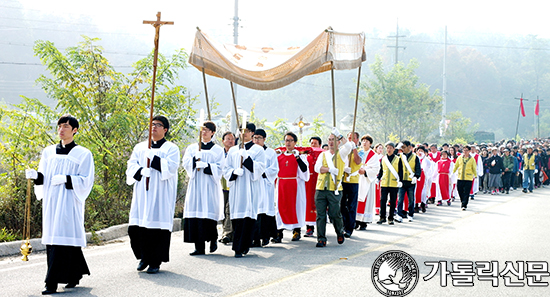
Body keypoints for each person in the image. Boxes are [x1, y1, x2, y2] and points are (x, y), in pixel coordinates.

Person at [26, 115, 94, 295]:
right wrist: (35, 176)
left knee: (64, 239)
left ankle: (51, 283)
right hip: (52, 202)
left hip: (70, 202)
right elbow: (43, 177)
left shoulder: (83, 154)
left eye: (66, 126)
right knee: (56, 240)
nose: (61, 130)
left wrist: (67, 179)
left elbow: (87, 181)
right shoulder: (48, 152)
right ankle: (74, 274)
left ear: (75, 130)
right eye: (59, 126)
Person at [126, 116, 179, 274]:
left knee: (156, 228)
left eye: (158, 125)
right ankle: (144, 257)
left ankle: (155, 261)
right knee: (138, 227)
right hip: (143, 192)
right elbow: (131, 165)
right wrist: (141, 170)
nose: (154, 127)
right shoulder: (140, 147)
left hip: (160, 194)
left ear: (165, 130)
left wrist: (154, 159)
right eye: (152, 124)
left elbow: (171, 168)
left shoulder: (171, 148)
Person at [181, 121, 224, 255]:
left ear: (212, 133)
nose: (203, 132)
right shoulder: (192, 148)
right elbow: (185, 163)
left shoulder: (218, 150)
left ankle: (213, 238)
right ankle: (199, 247)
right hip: (196, 184)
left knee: (208, 212)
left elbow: (220, 168)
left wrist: (207, 166)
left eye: (206, 130)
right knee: (196, 214)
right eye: (202, 129)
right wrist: (194, 161)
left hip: (209, 185)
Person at [223, 122, 266, 258]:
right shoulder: (233, 150)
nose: (244, 133)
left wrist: (247, 159)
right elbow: (226, 168)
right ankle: (238, 244)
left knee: (247, 217)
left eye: (247, 131)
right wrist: (234, 172)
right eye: (242, 130)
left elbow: (259, 169)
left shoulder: (258, 150)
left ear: (252, 133)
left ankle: (241, 246)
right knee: (236, 217)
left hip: (250, 189)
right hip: (236, 188)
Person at [314, 128, 354, 247]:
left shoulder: (341, 154)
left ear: (338, 142)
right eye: (329, 140)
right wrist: (329, 169)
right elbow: (317, 168)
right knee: (320, 215)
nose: (331, 142)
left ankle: (339, 231)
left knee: (335, 214)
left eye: (333, 140)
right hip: (321, 189)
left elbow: (349, 147)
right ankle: (321, 238)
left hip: (335, 189)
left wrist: (340, 136)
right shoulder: (323, 154)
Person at [274, 132, 309, 242]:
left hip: (295, 185)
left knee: (296, 207)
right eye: (286, 140)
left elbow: (304, 170)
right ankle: (279, 233)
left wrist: (297, 156)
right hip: (282, 185)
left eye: (290, 140)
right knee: (280, 209)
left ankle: (296, 231)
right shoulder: (279, 157)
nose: (288, 143)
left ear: (295, 142)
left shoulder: (301, 156)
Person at [251, 129, 279, 247]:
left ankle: (265, 236)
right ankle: (255, 239)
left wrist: (262, 172)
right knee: (254, 211)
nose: (257, 140)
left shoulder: (270, 152)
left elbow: (274, 169)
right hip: (253, 183)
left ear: (264, 139)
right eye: (255, 137)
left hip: (265, 183)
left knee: (264, 211)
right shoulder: (250, 151)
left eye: (259, 138)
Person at [355, 134, 381, 230]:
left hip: (367, 180)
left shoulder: (373, 155)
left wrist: (365, 171)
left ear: (370, 144)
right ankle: (356, 221)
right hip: (358, 179)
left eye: (367, 141)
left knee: (366, 201)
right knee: (357, 199)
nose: (364, 143)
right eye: (363, 141)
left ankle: (364, 222)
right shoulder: (358, 153)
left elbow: (376, 169)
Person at [341, 132, 362, 237]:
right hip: (343, 180)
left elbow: (358, 161)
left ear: (357, 140)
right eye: (349, 138)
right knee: (342, 205)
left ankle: (349, 228)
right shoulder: (344, 150)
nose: (350, 140)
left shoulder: (360, 151)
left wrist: (354, 149)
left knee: (351, 206)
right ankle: (344, 225)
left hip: (353, 181)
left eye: (353, 138)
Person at [396, 141, 421, 222]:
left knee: (411, 199)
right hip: (402, 181)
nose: (402, 149)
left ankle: (410, 214)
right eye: (401, 147)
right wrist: (397, 148)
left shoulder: (415, 157)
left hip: (411, 181)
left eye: (404, 147)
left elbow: (418, 169)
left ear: (409, 147)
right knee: (400, 199)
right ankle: (399, 214)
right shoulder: (400, 156)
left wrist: (416, 176)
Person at [376, 142, 401, 225]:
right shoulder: (383, 159)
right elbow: (381, 170)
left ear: (394, 149)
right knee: (383, 201)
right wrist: (378, 178)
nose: (389, 149)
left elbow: (400, 171)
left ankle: (391, 218)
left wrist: (400, 180)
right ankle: (382, 217)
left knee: (393, 201)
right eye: (387, 148)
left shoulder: (398, 159)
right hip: (384, 182)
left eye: (391, 148)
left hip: (394, 183)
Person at [219, 131, 236, 244]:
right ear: (223, 141)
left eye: (232, 139)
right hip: (221, 185)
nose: (230, 141)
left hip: (233, 185)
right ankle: (225, 232)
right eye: (228, 139)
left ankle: (227, 233)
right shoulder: (219, 153)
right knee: (222, 210)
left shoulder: (236, 153)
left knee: (229, 210)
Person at [304, 136, 323, 237]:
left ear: (320, 145)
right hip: (308, 182)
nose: (313, 145)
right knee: (308, 205)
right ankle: (309, 228)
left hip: (319, 182)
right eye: (311, 143)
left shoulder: (323, 155)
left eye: (315, 143)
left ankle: (321, 229)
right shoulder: (306, 155)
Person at [453, 145, 478, 210]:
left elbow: (474, 168)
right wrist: (452, 172)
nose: (465, 152)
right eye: (464, 150)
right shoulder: (460, 158)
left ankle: (464, 204)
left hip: (468, 178)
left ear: (469, 151)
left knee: (466, 192)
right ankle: (462, 201)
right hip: (460, 177)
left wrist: (475, 176)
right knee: (460, 190)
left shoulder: (472, 159)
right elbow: (456, 166)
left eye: (466, 150)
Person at [414, 145, 432, 213]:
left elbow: (428, 166)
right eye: (419, 151)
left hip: (423, 176)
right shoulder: (415, 158)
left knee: (423, 192)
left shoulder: (426, 159)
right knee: (415, 191)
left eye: (421, 151)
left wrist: (424, 157)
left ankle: (423, 204)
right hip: (416, 176)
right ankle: (416, 206)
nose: (420, 152)